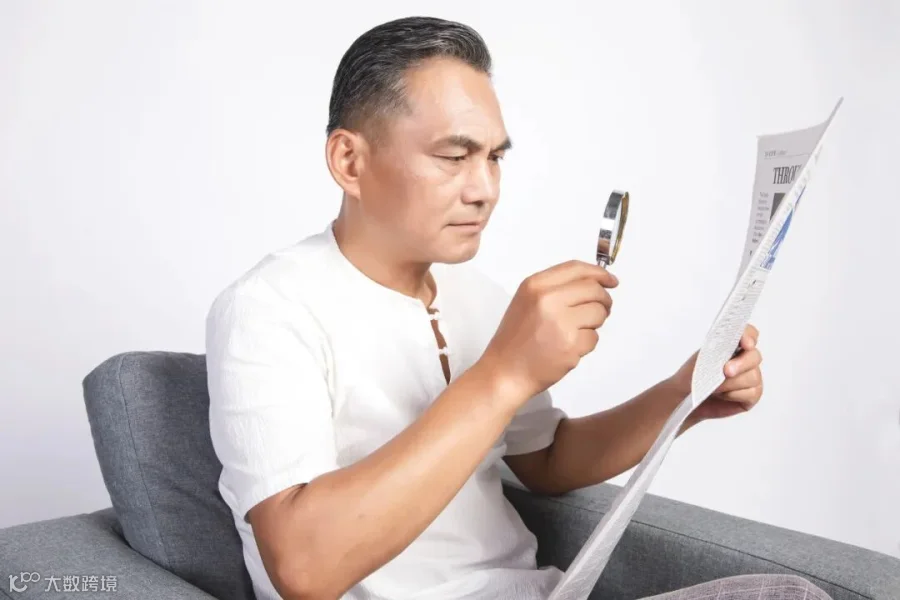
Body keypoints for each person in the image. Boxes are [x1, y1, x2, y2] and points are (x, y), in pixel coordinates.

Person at [204, 16, 832, 600]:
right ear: (350, 160)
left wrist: (682, 396)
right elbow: (303, 567)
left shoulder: (477, 297)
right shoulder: (268, 308)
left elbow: (547, 460)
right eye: (454, 156)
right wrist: (506, 371)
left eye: (495, 157)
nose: (484, 189)